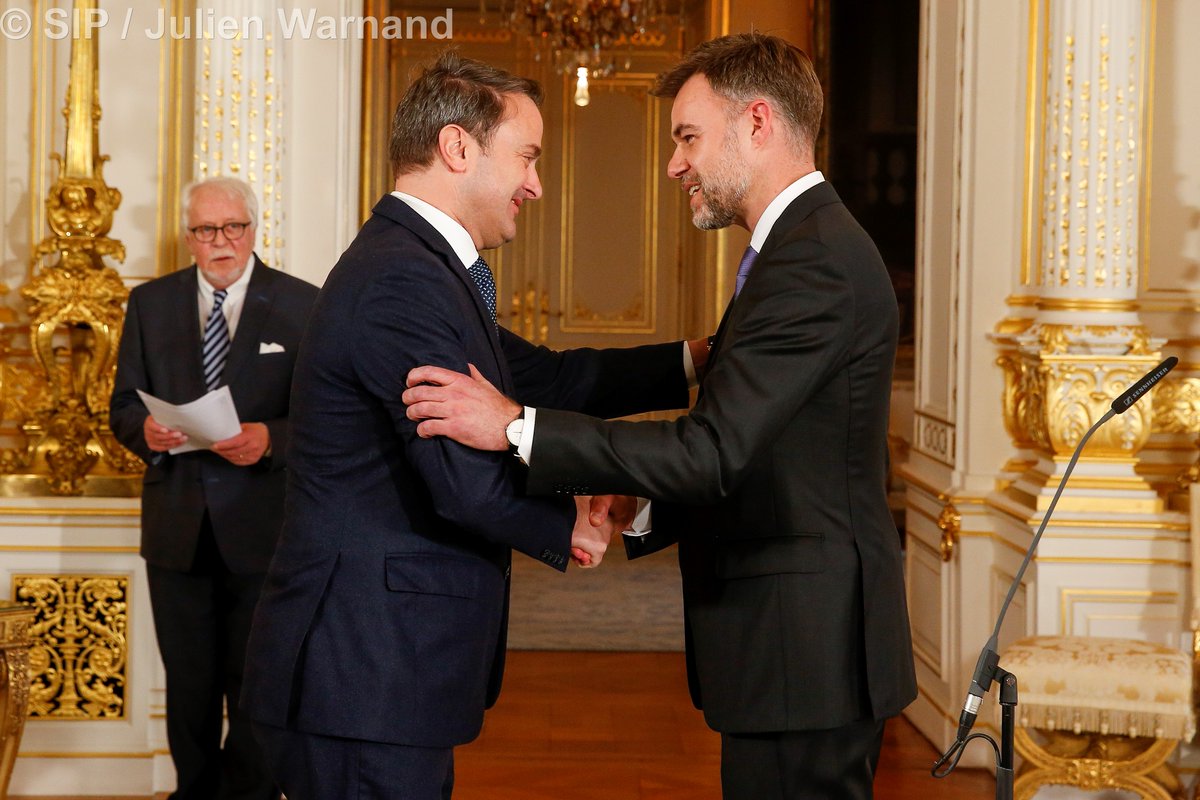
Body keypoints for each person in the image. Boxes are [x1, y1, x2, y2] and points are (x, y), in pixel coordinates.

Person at [403, 33, 918, 800]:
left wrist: (515, 426)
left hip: (807, 648)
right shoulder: (795, 250)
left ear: (756, 123)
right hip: (792, 646)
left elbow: (713, 450)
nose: (676, 164)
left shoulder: (811, 260)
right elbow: (768, 454)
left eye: (688, 137)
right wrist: (641, 503)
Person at [240, 51, 698, 800]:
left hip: (378, 672)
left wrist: (695, 360)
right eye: (528, 156)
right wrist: (573, 520)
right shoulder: (402, 277)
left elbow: (548, 378)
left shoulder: (422, 267)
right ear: (457, 147)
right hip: (362, 671)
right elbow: (463, 482)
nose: (536, 184)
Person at [110, 176, 319, 800]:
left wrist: (270, 438)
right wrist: (145, 430)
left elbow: (325, 418)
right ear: (189, 237)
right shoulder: (150, 304)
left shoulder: (303, 304)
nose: (221, 241)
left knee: (257, 683)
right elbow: (122, 407)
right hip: (177, 530)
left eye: (233, 227)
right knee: (189, 687)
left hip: (264, 529)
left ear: (254, 229)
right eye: (206, 230)